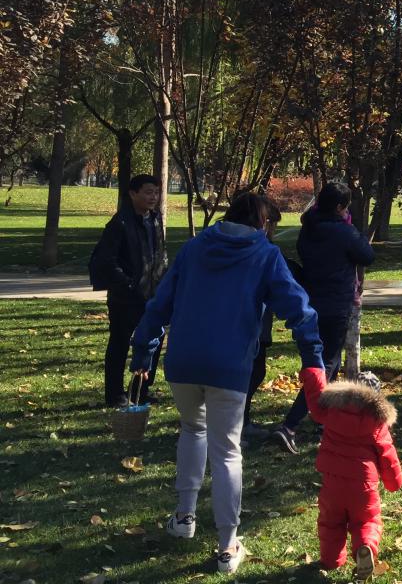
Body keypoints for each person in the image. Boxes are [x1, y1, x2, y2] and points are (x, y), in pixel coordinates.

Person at [130, 193, 323, 576]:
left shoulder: (194, 248)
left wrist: (142, 354)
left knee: (192, 429)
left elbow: (159, 305)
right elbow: (299, 311)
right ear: (262, 223)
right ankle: (226, 544)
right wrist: (313, 358)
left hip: (184, 361)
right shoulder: (265, 255)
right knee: (227, 452)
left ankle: (184, 517)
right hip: (229, 366)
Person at [271, 181, 375, 455]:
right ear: (340, 207)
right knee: (325, 364)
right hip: (336, 303)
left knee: (329, 360)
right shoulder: (344, 231)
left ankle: (325, 418)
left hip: (311, 300)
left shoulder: (309, 228)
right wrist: (355, 232)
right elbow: (367, 255)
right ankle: (290, 424)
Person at [300, 367, 402, 579]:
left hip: (332, 484)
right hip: (363, 484)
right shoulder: (377, 421)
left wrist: (313, 373)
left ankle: (330, 560)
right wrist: (394, 482)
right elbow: (387, 453)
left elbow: (315, 402)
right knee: (367, 520)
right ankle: (365, 547)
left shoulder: (332, 411)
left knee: (330, 522)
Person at [89, 174, 168, 407]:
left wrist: (164, 282)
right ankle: (115, 394)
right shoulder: (120, 223)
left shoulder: (155, 218)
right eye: (148, 192)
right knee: (120, 344)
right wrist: (128, 284)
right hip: (126, 297)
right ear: (133, 194)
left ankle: (140, 390)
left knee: (153, 341)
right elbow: (106, 261)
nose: (153, 197)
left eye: (156, 192)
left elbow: (159, 254)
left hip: (152, 295)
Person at [241, 204, 292, 446]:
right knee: (250, 374)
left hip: (259, 324)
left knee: (256, 371)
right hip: (250, 325)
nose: (273, 229)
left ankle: (242, 420)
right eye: (272, 224)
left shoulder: (267, 250)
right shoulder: (262, 251)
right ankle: (237, 425)